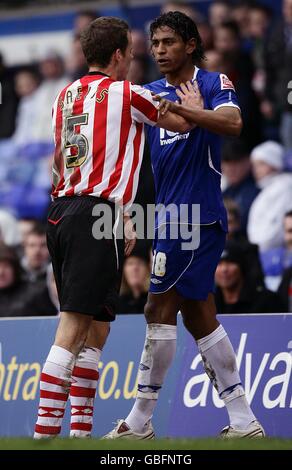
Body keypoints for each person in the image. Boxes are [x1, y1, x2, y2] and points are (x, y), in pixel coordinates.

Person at [104, 11, 264, 440]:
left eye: (169, 42)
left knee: (157, 308)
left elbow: (234, 124)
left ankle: (139, 422)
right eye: (155, 43)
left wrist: (186, 110)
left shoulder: (214, 84)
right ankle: (244, 420)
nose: (159, 50)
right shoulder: (149, 92)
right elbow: (130, 152)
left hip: (196, 214)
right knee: (198, 314)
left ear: (191, 44)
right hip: (167, 216)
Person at [33, 16, 194, 439]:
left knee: (98, 327)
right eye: (133, 52)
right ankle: (43, 435)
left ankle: (81, 434)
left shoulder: (63, 97)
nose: (135, 59)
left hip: (68, 211)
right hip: (92, 213)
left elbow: (58, 158)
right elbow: (180, 124)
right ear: (119, 55)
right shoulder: (127, 94)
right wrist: (190, 100)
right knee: (71, 328)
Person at [215, 241, 284, 314]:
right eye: (218, 264)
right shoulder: (208, 303)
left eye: (230, 262)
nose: (224, 269)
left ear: (242, 267)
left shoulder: (268, 301)